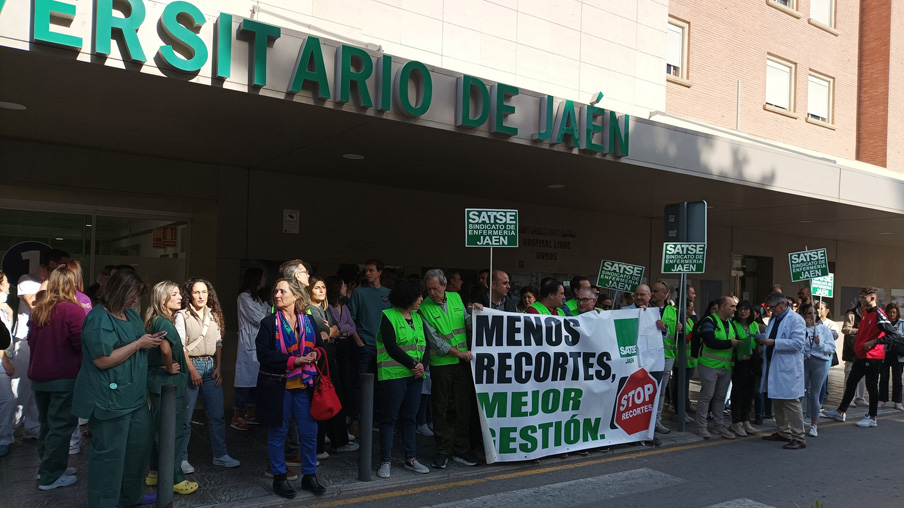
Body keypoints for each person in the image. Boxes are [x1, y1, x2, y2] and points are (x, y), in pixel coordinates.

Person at [72, 269, 163, 507]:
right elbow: (103, 360)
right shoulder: (99, 318)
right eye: (132, 295)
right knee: (109, 457)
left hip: (134, 398)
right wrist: (138, 344)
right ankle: (104, 502)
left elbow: (137, 341)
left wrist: (150, 341)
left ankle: (130, 497)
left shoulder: (130, 315)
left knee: (136, 453)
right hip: (109, 400)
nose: (135, 301)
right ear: (119, 291)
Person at [255, 278, 326, 499]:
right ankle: (279, 477)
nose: (277, 295)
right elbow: (263, 355)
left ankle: (309, 476)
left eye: (282, 291)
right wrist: (292, 361)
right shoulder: (269, 323)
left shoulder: (308, 320)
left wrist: (315, 354)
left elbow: (322, 348)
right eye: (275, 291)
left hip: (304, 386)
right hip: (279, 386)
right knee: (278, 433)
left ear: (296, 295)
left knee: (309, 433)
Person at [26, 266, 83, 490]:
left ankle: (47, 469)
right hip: (64, 378)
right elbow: (81, 344)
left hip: (40, 378)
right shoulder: (73, 310)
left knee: (47, 425)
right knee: (61, 427)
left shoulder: (39, 309)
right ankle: (51, 475)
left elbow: (32, 341)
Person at [176, 278, 239, 473]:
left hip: (211, 367)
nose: (201, 296)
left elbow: (219, 343)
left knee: (217, 415)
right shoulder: (182, 315)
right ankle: (181, 459)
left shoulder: (214, 315)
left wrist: (219, 368)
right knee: (185, 418)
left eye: (204, 292)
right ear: (190, 294)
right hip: (191, 366)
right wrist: (192, 370)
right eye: (196, 292)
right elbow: (180, 346)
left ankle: (220, 454)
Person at [144, 281, 198, 495]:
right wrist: (169, 366)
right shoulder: (162, 322)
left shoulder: (157, 320)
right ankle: (175, 478)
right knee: (172, 433)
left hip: (160, 383)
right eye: (174, 294)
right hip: (167, 384)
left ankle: (155, 472)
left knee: (160, 429)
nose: (180, 297)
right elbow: (165, 349)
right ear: (163, 299)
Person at [419, 269, 477, 470]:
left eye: (435, 288)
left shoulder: (455, 297)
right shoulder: (424, 307)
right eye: (429, 289)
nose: (432, 292)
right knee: (441, 408)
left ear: (444, 286)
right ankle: (442, 450)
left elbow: (467, 323)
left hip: (462, 363)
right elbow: (434, 341)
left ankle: (461, 449)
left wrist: (477, 313)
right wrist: (460, 353)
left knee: (463, 407)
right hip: (442, 364)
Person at [376, 279, 431, 478]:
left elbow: (426, 345)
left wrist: (422, 365)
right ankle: (385, 461)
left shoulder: (418, 317)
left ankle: (411, 459)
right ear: (408, 297)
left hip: (415, 376)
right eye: (419, 296)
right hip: (394, 376)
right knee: (389, 418)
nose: (421, 299)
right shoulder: (388, 316)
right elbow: (391, 346)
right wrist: (413, 364)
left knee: (410, 418)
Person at [826, 287, 899, 428]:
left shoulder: (878, 314)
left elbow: (893, 335)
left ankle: (872, 417)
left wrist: (874, 342)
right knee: (851, 383)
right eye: (860, 296)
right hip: (861, 356)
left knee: (871, 386)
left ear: (872, 298)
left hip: (872, 357)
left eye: (863, 297)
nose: (860, 299)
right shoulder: (866, 313)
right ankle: (841, 412)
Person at [308, 276, 357, 459]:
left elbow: (334, 329)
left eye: (323, 287)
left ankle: (336, 439)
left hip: (331, 357)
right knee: (324, 398)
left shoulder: (325, 309)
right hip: (321, 361)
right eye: (316, 288)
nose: (321, 290)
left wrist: (332, 330)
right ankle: (330, 443)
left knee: (335, 397)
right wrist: (331, 331)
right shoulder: (310, 310)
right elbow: (325, 334)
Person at [757, 292, 807, 449]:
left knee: (791, 402)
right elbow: (775, 335)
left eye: (773, 307)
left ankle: (799, 437)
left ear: (784, 304)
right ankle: (783, 431)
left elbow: (799, 344)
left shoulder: (796, 320)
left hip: (788, 368)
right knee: (777, 400)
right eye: (769, 308)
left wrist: (774, 342)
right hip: (775, 365)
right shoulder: (774, 318)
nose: (771, 311)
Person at [348, 259, 391, 421]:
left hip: (383, 347)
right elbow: (350, 318)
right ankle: (356, 419)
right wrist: (359, 342)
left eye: (371, 270)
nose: (368, 273)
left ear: (380, 272)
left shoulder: (388, 294)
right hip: (364, 345)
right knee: (359, 384)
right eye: (366, 271)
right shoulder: (359, 292)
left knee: (381, 385)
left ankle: (376, 419)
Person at [694, 296, 740, 440]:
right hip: (709, 365)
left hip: (725, 366)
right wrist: (730, 343)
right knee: (706, 396)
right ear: (722, 307)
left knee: (720, 397)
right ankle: (701, 426)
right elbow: (710, 341)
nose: (734, 309)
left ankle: (719, 425)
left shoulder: (731, 323)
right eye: (732, 306)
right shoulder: (709, 321)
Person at [234, 268, 268, 431]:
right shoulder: (244, 298)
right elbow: (259, 318)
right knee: (244, 383)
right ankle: (237, 415)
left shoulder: (258, 299)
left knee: (255, 382)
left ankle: (252, 413)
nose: (265, 279)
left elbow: (269, 314)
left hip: (257, 345)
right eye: (263, 277)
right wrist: (267, 315)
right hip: (248, 344)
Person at [326, 275, 360, 434]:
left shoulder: (344, 306)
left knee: (347, 382)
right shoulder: (328, 308)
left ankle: (345, 418)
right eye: (343, 285)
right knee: (335, 383)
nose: (346, 287)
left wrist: (342, 331)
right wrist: (342, 330)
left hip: (345, 347)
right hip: (334, 348)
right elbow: (336, 326)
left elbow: (351, 327)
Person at [799, 303, 835, 438]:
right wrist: (806, 330)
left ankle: (814, 423)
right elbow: (798, 345)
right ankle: (799, 421)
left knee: (814, 394)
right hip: (804, 362)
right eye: (809, 313)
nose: (812, 316)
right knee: (800, 393)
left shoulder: (824, 330)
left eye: (814, 313)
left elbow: (831, 348)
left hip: (819, 363)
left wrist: (820, 343)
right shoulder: (801, 329)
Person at [650, 281, 680, 435]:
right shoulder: (646, 309)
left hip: (667, 356)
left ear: (665, 293)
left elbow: (678, 334)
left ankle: (657, 421)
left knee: (661, 392)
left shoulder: (673, 312)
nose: (653, 294)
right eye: (652, 291)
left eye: (656, 291)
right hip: (648, 356)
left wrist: (678, 328)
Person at [729, 300, 760, 437]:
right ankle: (736, 422)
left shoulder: (754, 325)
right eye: (740, 309)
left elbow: (758, 341)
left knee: (750, 392)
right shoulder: (733, 324)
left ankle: (746, 420)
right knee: (738, 392)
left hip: (752, 362)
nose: (743, 311)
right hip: (739, 362)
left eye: (746, 309)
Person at [841, 301, 867, 407]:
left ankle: (860, 398)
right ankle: (848, 398)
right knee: (849, 372)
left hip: (864, 348)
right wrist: (860, 330)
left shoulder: (870, 314)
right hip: (851, 348)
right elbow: (845, 329)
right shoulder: (852, 314)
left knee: (863, 374)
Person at [0, 271, 15, 457]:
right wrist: (5, 360)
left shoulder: (4, 308)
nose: (9, 285)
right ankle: (3, 439)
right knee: (7, 401)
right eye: (6, 282)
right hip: (1, 361)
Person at [884, 302, 904, 411]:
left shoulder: (902, 324)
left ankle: (898, 402)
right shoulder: (883, 323)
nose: (892, 314)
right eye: (890, 312)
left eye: (894, 312)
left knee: (897, 379)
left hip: (898, 355)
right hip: (885, 354)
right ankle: (882, 400)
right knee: (883, 378)